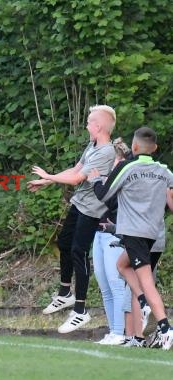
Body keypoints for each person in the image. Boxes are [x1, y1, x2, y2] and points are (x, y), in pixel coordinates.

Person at [28, 104, 116, 333]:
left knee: (78, 252)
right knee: (64, 243)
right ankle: (65, 293)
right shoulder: (92, 145)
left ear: (98, 126)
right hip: (79, 204)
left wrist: (49, 176)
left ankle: (80, 310)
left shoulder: (107, 151)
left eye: (89, 122)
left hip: (92, 209)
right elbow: (75, 170)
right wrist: (46, 181)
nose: (86, 126)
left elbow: (77, 180)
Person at [89, 126, 173, 350]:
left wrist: (96, 180)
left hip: (135, 233)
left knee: (146, 282)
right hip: (153, 233)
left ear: (134, 147)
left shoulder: (128, 167)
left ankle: (165, 328)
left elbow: (105, 195)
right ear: (154, 148)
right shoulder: (164, 170)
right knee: (121, 265)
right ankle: (144, 304)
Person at [91, 138, 130, 345]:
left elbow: (110, 200)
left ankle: (120, 331)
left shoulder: (123, 171)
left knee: (115, 282)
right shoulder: (109, 172)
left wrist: (99, 182)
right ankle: (113, 330)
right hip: (98, 230)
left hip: (114, 232)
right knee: (104, 284)